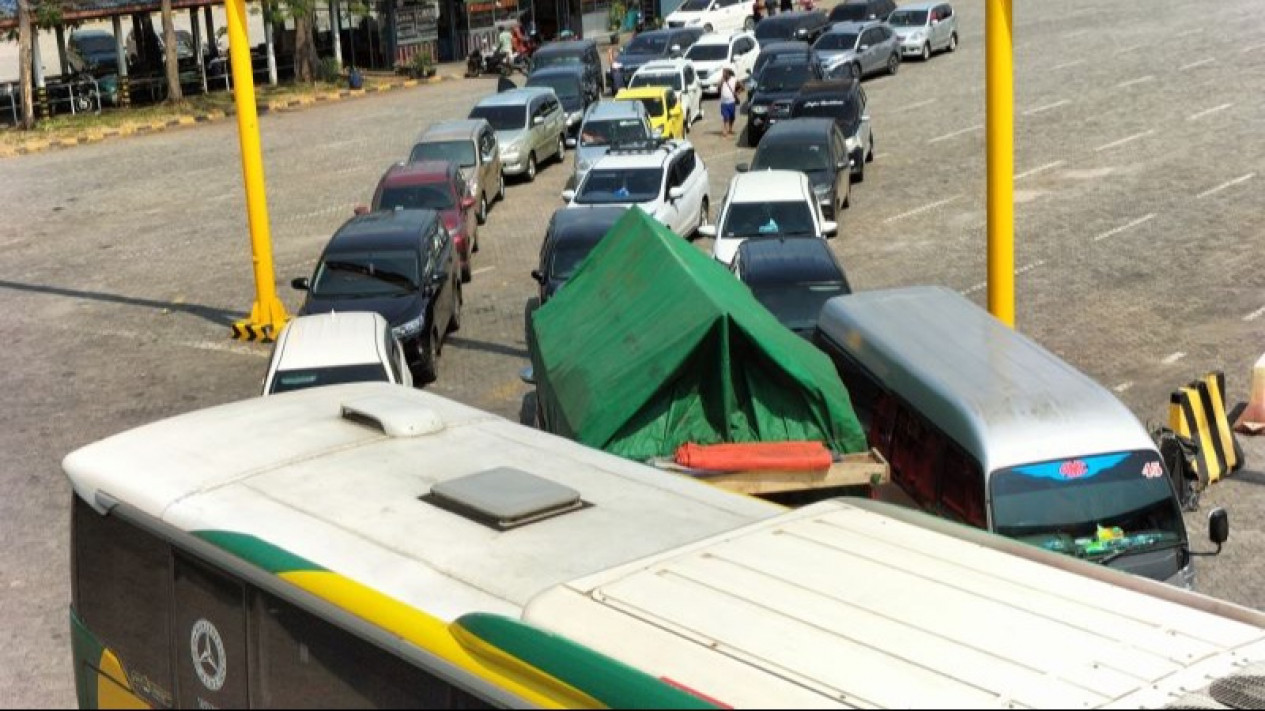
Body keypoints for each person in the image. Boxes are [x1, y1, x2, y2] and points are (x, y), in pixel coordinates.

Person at [719, 67, 741, 139]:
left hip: (732, 102)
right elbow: (718, 89)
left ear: (728, 74)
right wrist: (721, 82)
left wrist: (737, 93)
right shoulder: (722, 80)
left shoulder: (734, 80)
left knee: (732, 117)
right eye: (723, 73)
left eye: (724, 73)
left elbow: (742, 87)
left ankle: (730, 129)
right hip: (724, 102)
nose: (723, 74)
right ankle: (725, 130)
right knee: (726, 116)